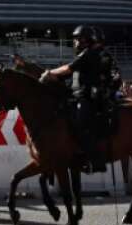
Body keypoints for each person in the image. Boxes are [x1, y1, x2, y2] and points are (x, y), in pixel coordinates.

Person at [42, 25, 109, 173]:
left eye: (78, 39)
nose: (75, 42)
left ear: (87, 40)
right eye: (75, 39)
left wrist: (48, 73)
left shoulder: (89, 54)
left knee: (80, 124)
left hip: (87, 97)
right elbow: (67, 74)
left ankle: (96, 161)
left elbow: (67, 69)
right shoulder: (84, 54)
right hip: (76, 96)